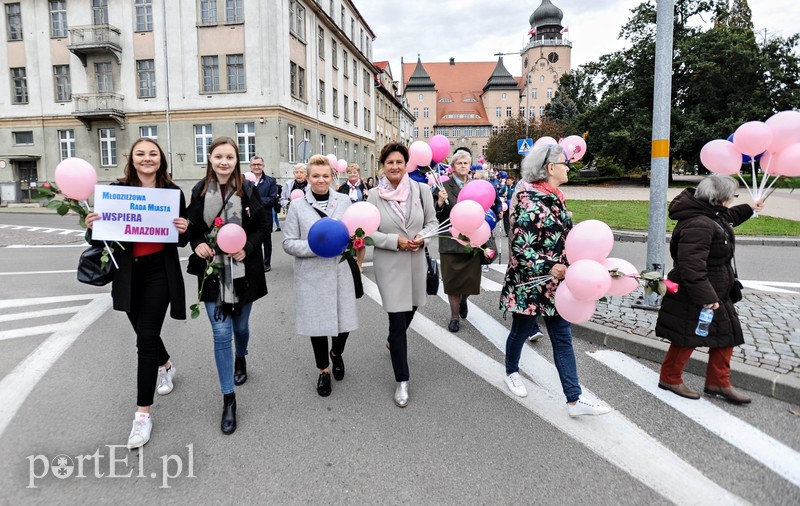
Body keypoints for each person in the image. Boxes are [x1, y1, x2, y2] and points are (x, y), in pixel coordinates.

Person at [84, 138, 189, 449]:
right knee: (145, 332)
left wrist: (184, 228)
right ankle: (166, 365)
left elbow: (180, 241)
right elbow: (97, 239)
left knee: (144, 338)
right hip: (128, 272)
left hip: (160, 272)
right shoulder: (117, 190)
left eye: (153, 154)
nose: (147, 159)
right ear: (132, 159)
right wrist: (92, 226)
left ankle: (142, 415)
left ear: (161, 160)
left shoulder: (172, 193)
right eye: (141, 154)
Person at [500, 144, 610, 417]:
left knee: (563, 338)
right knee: (521, 331)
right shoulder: (531, 201)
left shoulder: (555, 197)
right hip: (530, 284)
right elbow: (521, 249)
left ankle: (574, 400)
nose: (567, 167)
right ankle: (512, 371)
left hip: (557, 286)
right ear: (550, 168)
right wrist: (552, 267)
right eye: (564, 163)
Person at [655, 175, 763, 404]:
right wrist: (706, 297)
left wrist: (750, 207)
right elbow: (691, 266)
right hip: (698, 291)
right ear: (720, 198)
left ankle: (719, 382)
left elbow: (729, 217)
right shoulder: (699, 224)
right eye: (733, 196)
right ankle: (669, 378)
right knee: (688, 337)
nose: (733, 200)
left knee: (727, 334)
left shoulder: (710, 214)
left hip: (716, 289)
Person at [187, 137, 268, 435]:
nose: (224, 162)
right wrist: (197, 245)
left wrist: (247, 246)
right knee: (221, 333)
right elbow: (192, 229)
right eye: (218, 156)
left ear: (237, 161)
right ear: (209, 158)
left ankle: (241, 356)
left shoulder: (248, 190)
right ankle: (228, 399)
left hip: (243, 271)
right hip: (212, 273)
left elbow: (262, 226)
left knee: (240, 329)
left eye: (230, 157)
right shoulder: (198, 191)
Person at [367, 142, 438, 407]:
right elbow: (367, 232)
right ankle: (402, 381)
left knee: (413, 307)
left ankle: (392, 342)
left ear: (406, 164)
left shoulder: (422, 190)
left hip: (416, 261)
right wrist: (392, 240)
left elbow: (432, 222)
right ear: (382, 166)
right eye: (389, 163)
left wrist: (423, 237)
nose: (394, 167)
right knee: (397, 323)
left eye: (399, 162)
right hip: (390, 265)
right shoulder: (374, 196)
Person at [283, 155, 358, 397]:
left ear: (332, 177)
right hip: (312, 274)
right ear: (307, 177)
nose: (321, 180)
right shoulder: (297, 206)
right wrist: (315, 247)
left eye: (325, 175)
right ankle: (323, 369)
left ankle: (336, 353)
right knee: (317, 326)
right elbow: (288, 243)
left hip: (339, 271)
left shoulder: (345, 201)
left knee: (343, 322)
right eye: (315, 176)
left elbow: (357, 230)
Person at [433, 149, 482, 333]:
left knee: (470, 281)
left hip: (473, 241)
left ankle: (464, 299)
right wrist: (439, 201)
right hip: (450, 241)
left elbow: (487, 208)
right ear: (453, 167)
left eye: (466, 163)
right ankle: (454, 316)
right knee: (452, 282)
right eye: (459, 163)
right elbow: (434, 215)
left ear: (470, 166)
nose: (463, 166)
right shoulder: (443, 187)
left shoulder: (477, 186)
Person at [249, 156, 279, 272]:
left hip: (265, 217)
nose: (256, 167)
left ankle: (266, 263)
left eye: (259, 164)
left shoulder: (270, 181)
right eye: (254, 165)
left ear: (263, 166)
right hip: (250, 217)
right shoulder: (244, 180)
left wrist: (255, 201)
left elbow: (272, 200)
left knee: (266, 241)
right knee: (252, 240)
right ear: (250, 166)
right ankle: (254, 263)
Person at [337, 163, 369, 271]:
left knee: (361, 241)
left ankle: (359, 264)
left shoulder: (364, 186)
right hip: (347, 218)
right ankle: (351, 265)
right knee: (349, 242)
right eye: (350, 172)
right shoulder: (343, 187)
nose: (352, 174)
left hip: (361, 217)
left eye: (354, 172)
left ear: (359, 174)